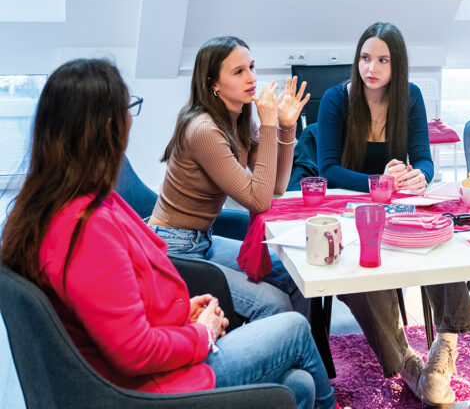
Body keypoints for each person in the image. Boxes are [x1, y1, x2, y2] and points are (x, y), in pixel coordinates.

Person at [0, 59, 335, 409]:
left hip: (153, 363)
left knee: (297, 385)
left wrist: (180, 314)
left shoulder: (66, 202)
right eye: (129, 108)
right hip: (149, 389)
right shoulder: (86, 228)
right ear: (108, 126)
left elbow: (114, 308)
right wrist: (200, 334)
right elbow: (133, 351)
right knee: (294, 328)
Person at [317, 22, 470, 405]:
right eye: (365, 58)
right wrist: (377, 183)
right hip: (351, 211)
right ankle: (405, 359)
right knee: (360, 274)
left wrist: (419, 176)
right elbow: (327, 169)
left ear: (397, 65)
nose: (371, 67)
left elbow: (423, 158)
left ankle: (445, 344)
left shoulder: (411, 97)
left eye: (382, 60)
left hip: (401, 207)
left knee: (442, 244)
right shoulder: (336, 99)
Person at [148, 36, 311, 319]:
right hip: (175, 251)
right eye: (238, 72)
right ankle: (278, 357)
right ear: (213, 84)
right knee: (275, 303)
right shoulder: (204, 130)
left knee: (298, 273)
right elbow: (258, 201)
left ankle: (302, 352)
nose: (251, 78)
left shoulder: (240, 116)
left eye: (251, 67)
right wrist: (270, 124)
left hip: (202, 240)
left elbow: (276, 186)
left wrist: (286, 126)